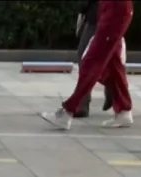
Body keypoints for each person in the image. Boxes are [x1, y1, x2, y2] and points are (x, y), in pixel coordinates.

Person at [44, 0, 134, 130]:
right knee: (113, 65)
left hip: (113, 11)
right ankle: (123, 110)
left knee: (92, 64)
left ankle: (68, 111)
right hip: (112, 10)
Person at [73, 1, 118, 117]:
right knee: (105, 59)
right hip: (104, 16)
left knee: (85, 59)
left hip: (99, 18)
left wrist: (81, 10)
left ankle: (83, 103)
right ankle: (111, 89)